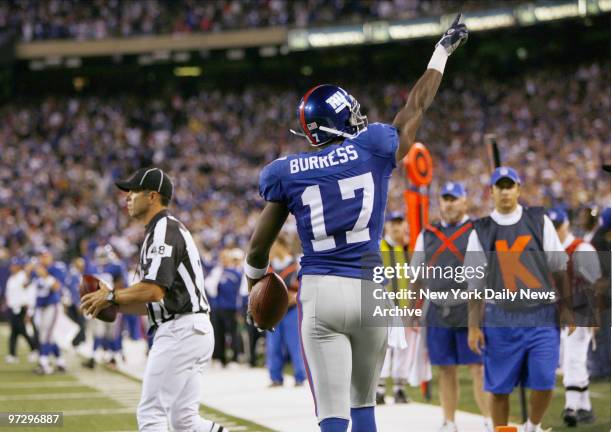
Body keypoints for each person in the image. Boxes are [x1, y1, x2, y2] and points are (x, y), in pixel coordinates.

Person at [244, 16, 468, 432]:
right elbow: (415, 107)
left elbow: (258, 250)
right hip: (371, 292)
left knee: (333, 417)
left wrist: (253, 286)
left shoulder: (287, 171)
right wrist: (441, 52)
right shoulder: (374, 147)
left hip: (322, 293)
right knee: (365, 410)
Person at [80, 167, 225, 432]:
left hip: (181, 329)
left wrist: (112, 294)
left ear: (152, 196)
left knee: (151, 415)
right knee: (185, 421)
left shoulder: (164, 230)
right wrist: (111, 302)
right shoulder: (159, 231)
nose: (127, 197)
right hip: (190, 329)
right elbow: (151, 301)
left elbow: (153, 291)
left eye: (133, 191)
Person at [466, 167, 574, 432]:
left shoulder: (539, 221)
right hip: (500, 317)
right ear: (491, 191)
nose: (504, 191)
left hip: (541, 314)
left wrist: (569, 307)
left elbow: (559, 267)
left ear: (518, 189)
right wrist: (473, 326)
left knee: (544, 380)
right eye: (499, 186)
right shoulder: (480, 231)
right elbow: (474, 284)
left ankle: (533, 426)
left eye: (509, 185)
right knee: (500, 388)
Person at [411, 182, 491, 431]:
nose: (448, 203)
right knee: (445, 369)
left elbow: (479, 279)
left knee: (477, 368)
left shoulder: (477, 230)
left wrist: (475, 322)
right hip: (436, 309)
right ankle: (449, 421)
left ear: (464, 201)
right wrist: (413, 309)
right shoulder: (427, 234)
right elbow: (417, 275)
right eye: (445, 199)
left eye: (454, 199)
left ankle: (489, 420)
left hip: (468, 308)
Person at [547, 207, 600, 426]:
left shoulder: (581, 248)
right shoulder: (548, 251)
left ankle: (571, 406)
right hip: (558, 312)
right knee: (568, 357)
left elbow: (595, 284)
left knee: (573, 358)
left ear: (565, 225)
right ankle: (585, 407)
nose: (555, 231)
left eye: (557, 227)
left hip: (580, 309)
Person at [376, 211, 411, 405]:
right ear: (387, 225)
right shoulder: (378, 247)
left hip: (405, 306)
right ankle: (379, 389)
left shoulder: (407, 248)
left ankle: (400, 388)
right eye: (393, 223)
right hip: (383, 307)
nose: (397, 227)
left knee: (403, 349)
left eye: (400, 223)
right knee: (383, 348)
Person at [265, 233, 305, 387]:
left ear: (282, 246)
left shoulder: (297, 264)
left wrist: (296, 297)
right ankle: (275, 377)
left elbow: (305, 284)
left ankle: (300, 377)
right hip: (274, 311)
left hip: (292, 309)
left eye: (274, 246)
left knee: (295, 343)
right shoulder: (268, 266)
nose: (272, 249)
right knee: (273, 345)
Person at [205, 248, 243, 367]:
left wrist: (239, 309)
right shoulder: (216, 272)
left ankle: (234, 359)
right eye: (222, 257)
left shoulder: (236, 273)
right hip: (217, 308)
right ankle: (219, 359)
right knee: (218, 333)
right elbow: (209, 288)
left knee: (233, 333)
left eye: (226, 257)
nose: (224, 260)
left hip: (232, 308)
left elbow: (240, 292)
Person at [32, 251, 67, 374]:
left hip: (52, 305)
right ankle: (60, 361)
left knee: (45, 335)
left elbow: (57, 287)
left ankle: (44, 363)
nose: (43, 258)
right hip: (40, 307)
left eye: (45, 256)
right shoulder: (37, 269)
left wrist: (45, 275)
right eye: (41, 256)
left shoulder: (56, 268)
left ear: (51, 257)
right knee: (49, 337)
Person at [5, 257, 38, 363]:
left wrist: (28, 311)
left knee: (23, 331)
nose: (12, 267)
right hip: (12, 308)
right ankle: (12, 354)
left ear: (19, 266)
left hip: (21, 308)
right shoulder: (11, 278)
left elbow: (27, 284)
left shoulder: (23, 275)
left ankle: (34, 349)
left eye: (14, 265)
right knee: (14, 333)